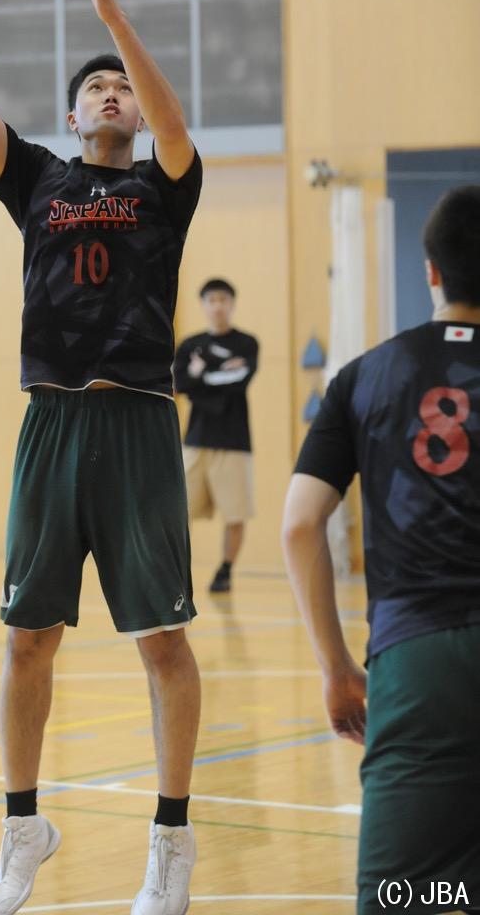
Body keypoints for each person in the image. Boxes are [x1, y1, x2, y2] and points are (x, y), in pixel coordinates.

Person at [0, 0, 203, 915]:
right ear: (70, 115)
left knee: (163, 644)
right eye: (95, 87)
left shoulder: (164, 187)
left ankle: (170, 845)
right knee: (26, 642)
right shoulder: (40, 179)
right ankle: (21, 833)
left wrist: (114, 20)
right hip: (50, 424)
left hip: (137, 426)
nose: (111, 94)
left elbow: (173, 121)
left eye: (121, 86)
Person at [282, 185, 480, 915]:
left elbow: (301, 525)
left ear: (431, 272)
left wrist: (336, 667)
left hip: (417, 662)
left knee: (407, 895)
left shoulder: (366, 376)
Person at [174, 279, 259, 593]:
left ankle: (225, 571)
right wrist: (215, 373)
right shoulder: (189, 345)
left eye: (224, 299)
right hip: (195, 440)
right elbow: (180, 384)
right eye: (212, 300)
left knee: (235, 513)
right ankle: (176, 571)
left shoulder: (247, 343)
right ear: (204, 305)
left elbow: (240, 380)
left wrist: (200, 376)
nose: (218, 306)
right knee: (178, 510)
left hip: (234, 441)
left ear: (232, 304)